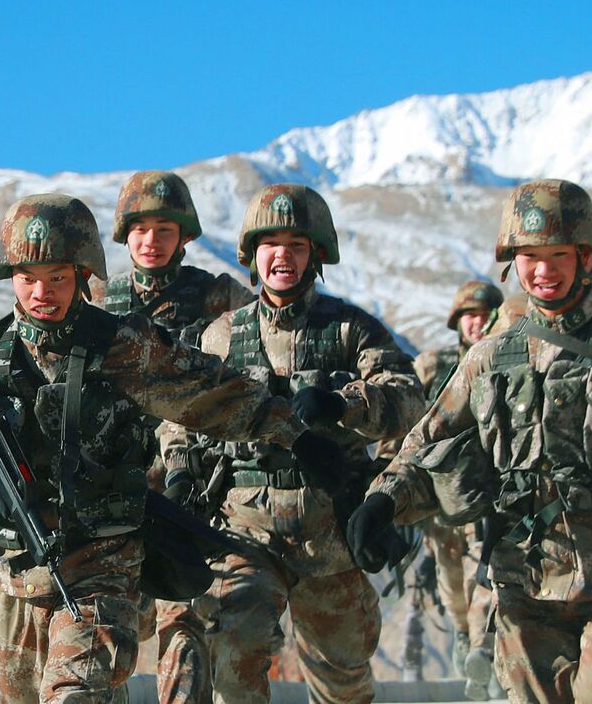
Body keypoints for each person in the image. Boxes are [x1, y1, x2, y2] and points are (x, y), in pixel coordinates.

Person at [0, 193, 338, 703]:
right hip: (14, 578)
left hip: (102, 564)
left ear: (83, 274)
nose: (42, 292)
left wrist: (295, 435)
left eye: (58, 277)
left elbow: (211, 390)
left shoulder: (123, 346)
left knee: (76, 695)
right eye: (28, 277)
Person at [353, 178, 592, 703]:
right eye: (529, 256)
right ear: (511, 260)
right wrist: (383, 501)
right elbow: (430, 438)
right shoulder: (492, 353)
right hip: (524, 580)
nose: (544, 271)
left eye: (558, 255)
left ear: (586, 256)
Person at [164, 183, 425, 704]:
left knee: (344, 680)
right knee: (235, 658)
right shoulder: (220, 336)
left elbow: (409, 399)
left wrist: (342, 403)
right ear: (252, 254)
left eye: (296, 244)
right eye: (270, 244)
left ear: (316, 254)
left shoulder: (351, 329)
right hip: (246, 530)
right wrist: (177, 471)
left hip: (330, 533)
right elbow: (180, 415)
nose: (282, 255)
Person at [91, 170, 253, 704]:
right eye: (141, 229)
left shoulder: (217, 298)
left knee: (182, 618)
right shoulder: (96, 300)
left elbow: (249, 377)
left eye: (165, 229)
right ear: (125, 235)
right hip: (111, 484)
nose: (151, 241)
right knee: (107, 626)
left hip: (188, 484)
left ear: (184, 235)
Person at [409, 280, 504, 678]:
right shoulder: (434, 364)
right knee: (449, 577)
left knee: (483, 569)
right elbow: (407, 428)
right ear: (457, 321)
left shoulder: (506, 356)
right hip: (440, 497)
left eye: (483, 315)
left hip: (488, 492)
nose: (477, 323)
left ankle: (482, 646)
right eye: (469, 316)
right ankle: (465, 634)